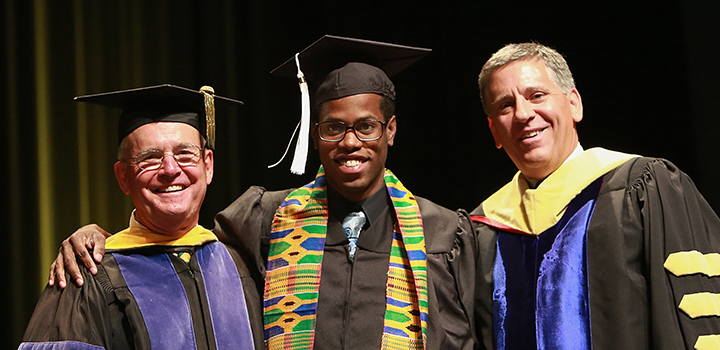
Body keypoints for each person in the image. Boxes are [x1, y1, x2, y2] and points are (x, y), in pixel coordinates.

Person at [48, 37, 482, 350]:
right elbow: (173, 237)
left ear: (390, 131)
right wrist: (97, 235)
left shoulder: (444, 232)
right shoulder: (266, 218)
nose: (350, 142)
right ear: (315, 136)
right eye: (334, 128)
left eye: (366, 126)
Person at [471, 42, 720, 350]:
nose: (523, 114)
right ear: (494, 130)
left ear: (574, 104)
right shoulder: (482, 230)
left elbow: (696, 319)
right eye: (505, 106)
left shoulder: (643, 188)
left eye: (537, 95)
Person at [21, 85, 261, 350]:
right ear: (123, 177)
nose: (170, 169)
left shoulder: (241, 264)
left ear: (208, 166)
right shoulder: (87, 275)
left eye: (185, 154)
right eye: (150, 158)